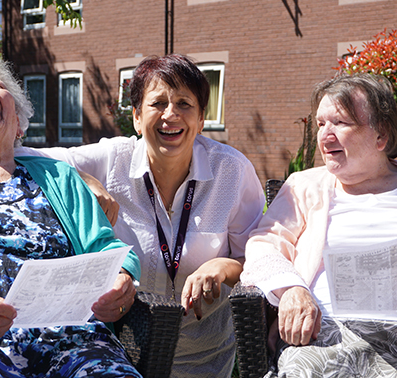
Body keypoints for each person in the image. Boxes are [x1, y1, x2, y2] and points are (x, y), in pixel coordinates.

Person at [16, 54, 265, 377]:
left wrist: (222, 267)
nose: (171, 115)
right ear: (136, 117)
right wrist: (81, 178)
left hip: (206, 355)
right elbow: (15, 153)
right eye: (158, 103)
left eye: (185, 104)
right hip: (119, 349)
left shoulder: (231, 171)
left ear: (202, 119)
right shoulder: (112, 159)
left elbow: (259, 257)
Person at [0, 50, 142, 378]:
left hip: (70, 338)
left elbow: (106, 250)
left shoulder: (59, 178)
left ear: (19, 124)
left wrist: (121, 281)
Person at [241, 73, 397, 377]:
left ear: (381, 135)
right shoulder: (303, 185)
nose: (325, 136)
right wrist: (291, 289)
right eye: (320, 124)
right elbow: (263, 244)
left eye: (340, 123)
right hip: (327, 331)